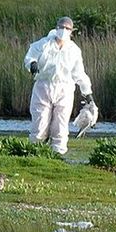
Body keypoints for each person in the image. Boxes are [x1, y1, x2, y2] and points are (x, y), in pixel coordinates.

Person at [22, 16, 95, 155]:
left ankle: (57, 155)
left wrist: (88, 94)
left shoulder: (74, 50)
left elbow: (79, 73)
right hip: (43, 86)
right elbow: (30, 56)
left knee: (61, 125)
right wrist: (32, 64)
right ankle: (35, 153)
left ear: (71, 31)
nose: (63, 30)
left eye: (67, 28)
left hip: (65, 89)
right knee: (40, 122)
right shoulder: (44, 44)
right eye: (61, 27)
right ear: (56, 28)